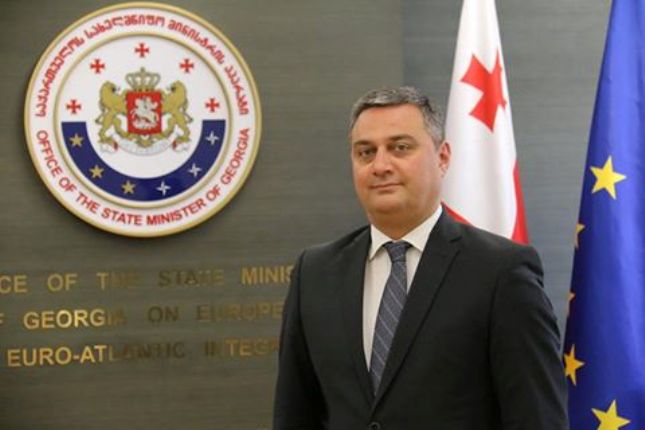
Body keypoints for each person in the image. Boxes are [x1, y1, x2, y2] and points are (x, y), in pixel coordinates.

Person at [273, 87, 568, 429]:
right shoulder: (315, 273)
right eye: (366, 152)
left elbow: (537, 418)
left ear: (443, 157)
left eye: (400, 147)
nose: (380, 165)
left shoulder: (501, 272)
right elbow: (295, 414)